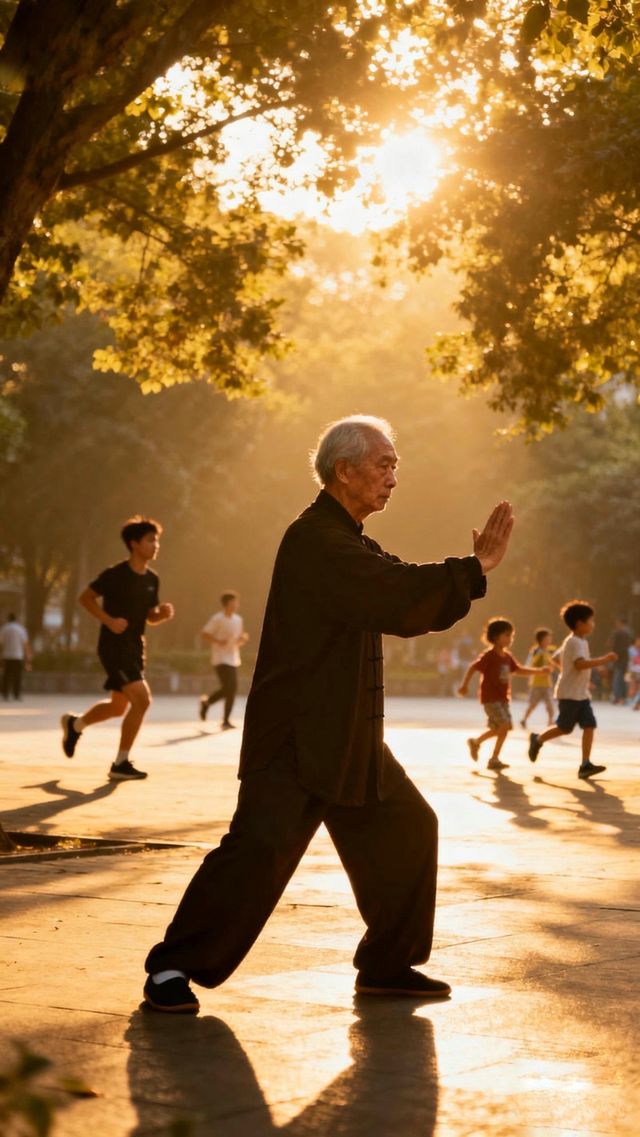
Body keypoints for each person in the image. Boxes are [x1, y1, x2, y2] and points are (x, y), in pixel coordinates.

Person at [142, 414, 514, 1014]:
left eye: (396, 465)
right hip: (295, 734)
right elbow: (394, 592)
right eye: (384, 464)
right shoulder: (316, 539)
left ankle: (388, 965)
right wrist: (473, 570)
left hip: (348, 735)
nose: (395, 476)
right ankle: (172, 968)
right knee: (258, 850)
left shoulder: (349, 538)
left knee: (410, 828)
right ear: (345, 470)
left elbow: (398, 586)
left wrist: (465, 575)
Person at [60, 516, 174, 781]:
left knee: (117, 707)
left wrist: (161, 614)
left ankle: (74, 725)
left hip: (135, 647)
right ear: (134, 544)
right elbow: (85, 598)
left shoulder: (152, 579)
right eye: (150, 540)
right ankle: (120, 763)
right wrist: (108, 621)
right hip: (113, 647)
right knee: (143, 700)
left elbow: (149, 616)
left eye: (156, 540)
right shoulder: (116, 574)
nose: (155, 545)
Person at [528, 600, 617, 778]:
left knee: (590, 724)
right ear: (579, 623)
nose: (593, 624)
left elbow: (556, 658)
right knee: (564, 728)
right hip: (569, 694)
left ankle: (585, 764)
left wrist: (573, 676)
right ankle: (537, 739)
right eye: (591, 621)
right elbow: (580, 664)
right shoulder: (574, 642)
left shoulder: (579, 641)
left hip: (581, 693)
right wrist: (604, 660)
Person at [458, 618, 548, 771]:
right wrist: (464, 685)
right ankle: (494, 759)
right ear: (495, 637)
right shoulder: (489, 656)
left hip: (503, 698)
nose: (510, 639)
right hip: (490, 698)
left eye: (511, 635)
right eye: (506, 635)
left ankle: (476, 743)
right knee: (504, 726)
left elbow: (519, 670)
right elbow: (473, 667)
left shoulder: (507, 657)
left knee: (500, 729)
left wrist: (539, 671)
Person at [199, 591, 248, 729]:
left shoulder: (238, 620)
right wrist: (217, 641)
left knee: (230, 689)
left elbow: (238, 639)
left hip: (233, 657)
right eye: (234, 601)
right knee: (230, 688)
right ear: (228, 603)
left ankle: (209, 704)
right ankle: (223, 718)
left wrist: (242, 639)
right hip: (220, 658)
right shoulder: (217, 618)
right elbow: (204, 634)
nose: (237, 604)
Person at [519, 627, 558, 729]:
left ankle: (550, 722)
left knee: (550, 705)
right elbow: (528, 664)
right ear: (541, 640)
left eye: (550, 639)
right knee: (533, 705)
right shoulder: (536, 651)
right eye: (547, 639)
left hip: (547, 683)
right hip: (536, 683)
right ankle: (524, 719)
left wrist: (553, 667)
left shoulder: (550, 651)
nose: (549, 641)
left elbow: (553, 664)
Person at [1, 613, 32, 700]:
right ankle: (16, 694)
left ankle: (5, 693)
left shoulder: (4, 628)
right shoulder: (21, 629)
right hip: (18, 656)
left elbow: (1, 642)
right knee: (17, 676)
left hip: (7, 655)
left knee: (6, 676)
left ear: (8, 619)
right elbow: (25, 644)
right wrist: (28, 657)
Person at [610, 616, 633, 704]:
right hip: (626, 658)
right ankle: (623, 697)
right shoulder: (630, 633)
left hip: (618, 657)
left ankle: (617, 697)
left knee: (617, 678)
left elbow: (614, 646)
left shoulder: (618, 632)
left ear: (620, 622)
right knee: (624, 678)